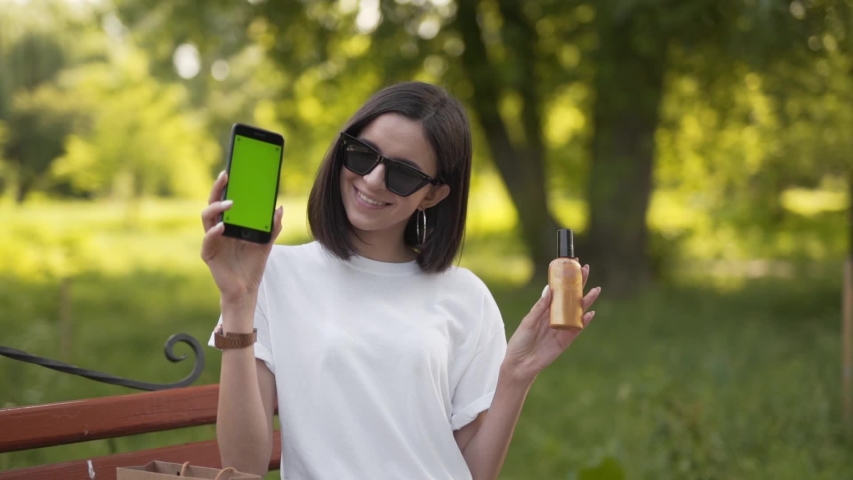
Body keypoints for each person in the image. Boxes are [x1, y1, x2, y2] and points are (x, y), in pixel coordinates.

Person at [200, 81, 601, 480]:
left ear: (434, 194)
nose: (373, 180)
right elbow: (244, 466)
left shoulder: (466, 296)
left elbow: (476, 472)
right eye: (362, 155)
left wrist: (517, 375)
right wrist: (238, 302)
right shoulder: (275, 276)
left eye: (403, 174)